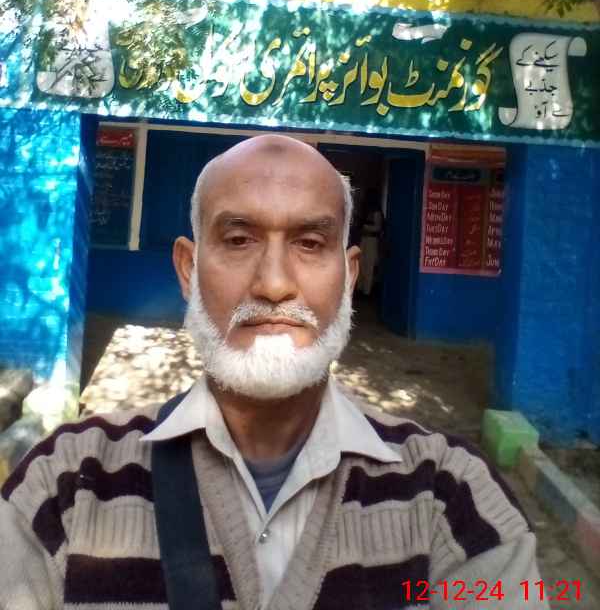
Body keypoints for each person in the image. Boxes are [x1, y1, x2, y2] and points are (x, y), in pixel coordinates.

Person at [0, 134, 549, 609]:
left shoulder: (452, 499)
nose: (274, 284)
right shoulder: (63, 488)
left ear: (348, 277)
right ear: (189, 270)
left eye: (310, 243)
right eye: (239, 240)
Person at [357, 188, 384, 295]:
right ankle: (361, 289)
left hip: (371, 240)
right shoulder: (366, 211)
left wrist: (365, 227)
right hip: (365, 239)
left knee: (369, 265)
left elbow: (378, 228)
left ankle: (367, 291)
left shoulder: (376, 212)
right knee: (362, 264)